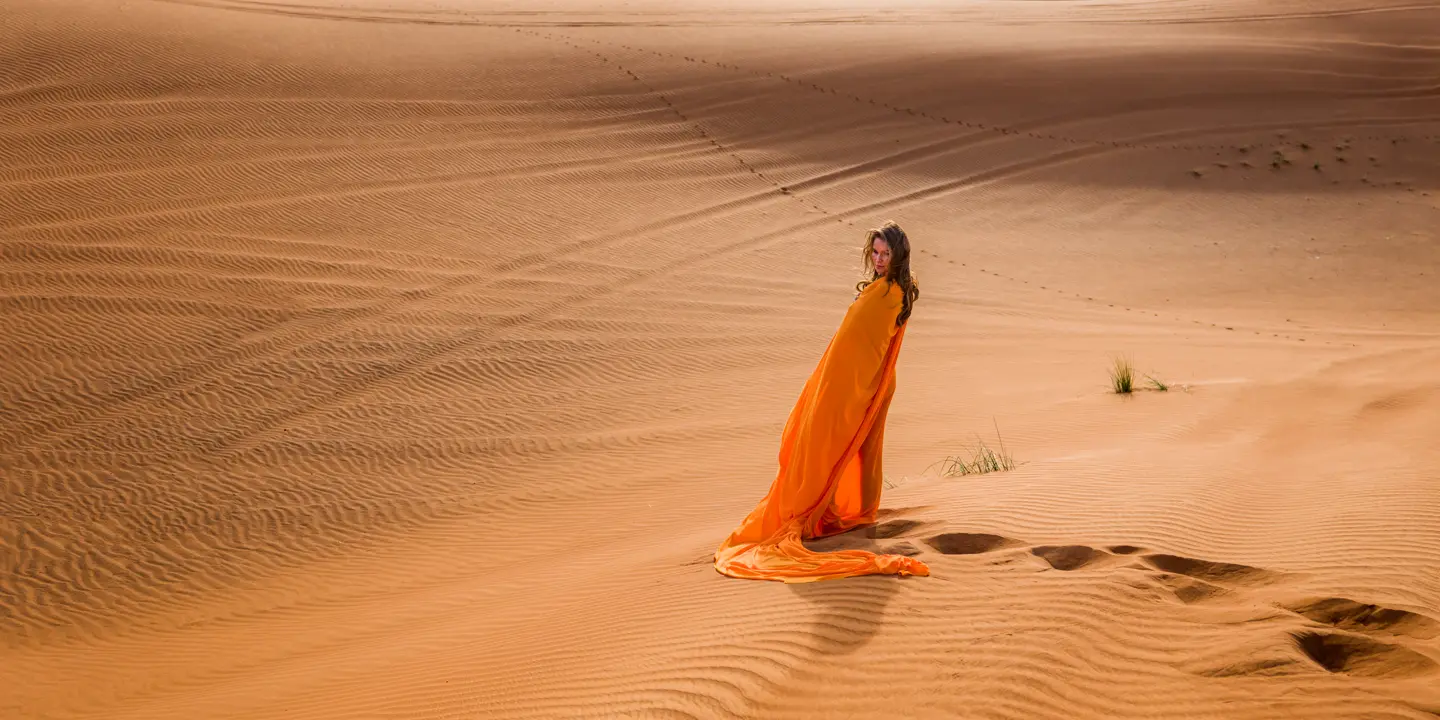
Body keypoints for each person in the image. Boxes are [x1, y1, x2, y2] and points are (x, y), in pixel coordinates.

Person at [714, 221, 930, 582]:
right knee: (839, 446)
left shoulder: (893, 293)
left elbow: (869, 347)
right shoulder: (883, 288)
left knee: (845, 447)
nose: (878, 259)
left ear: (898, 255)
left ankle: (841, 512)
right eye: (875, 252)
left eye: (885, 253)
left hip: (861, 385)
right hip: (848, 383)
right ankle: (842, 511)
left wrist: (849, 389)